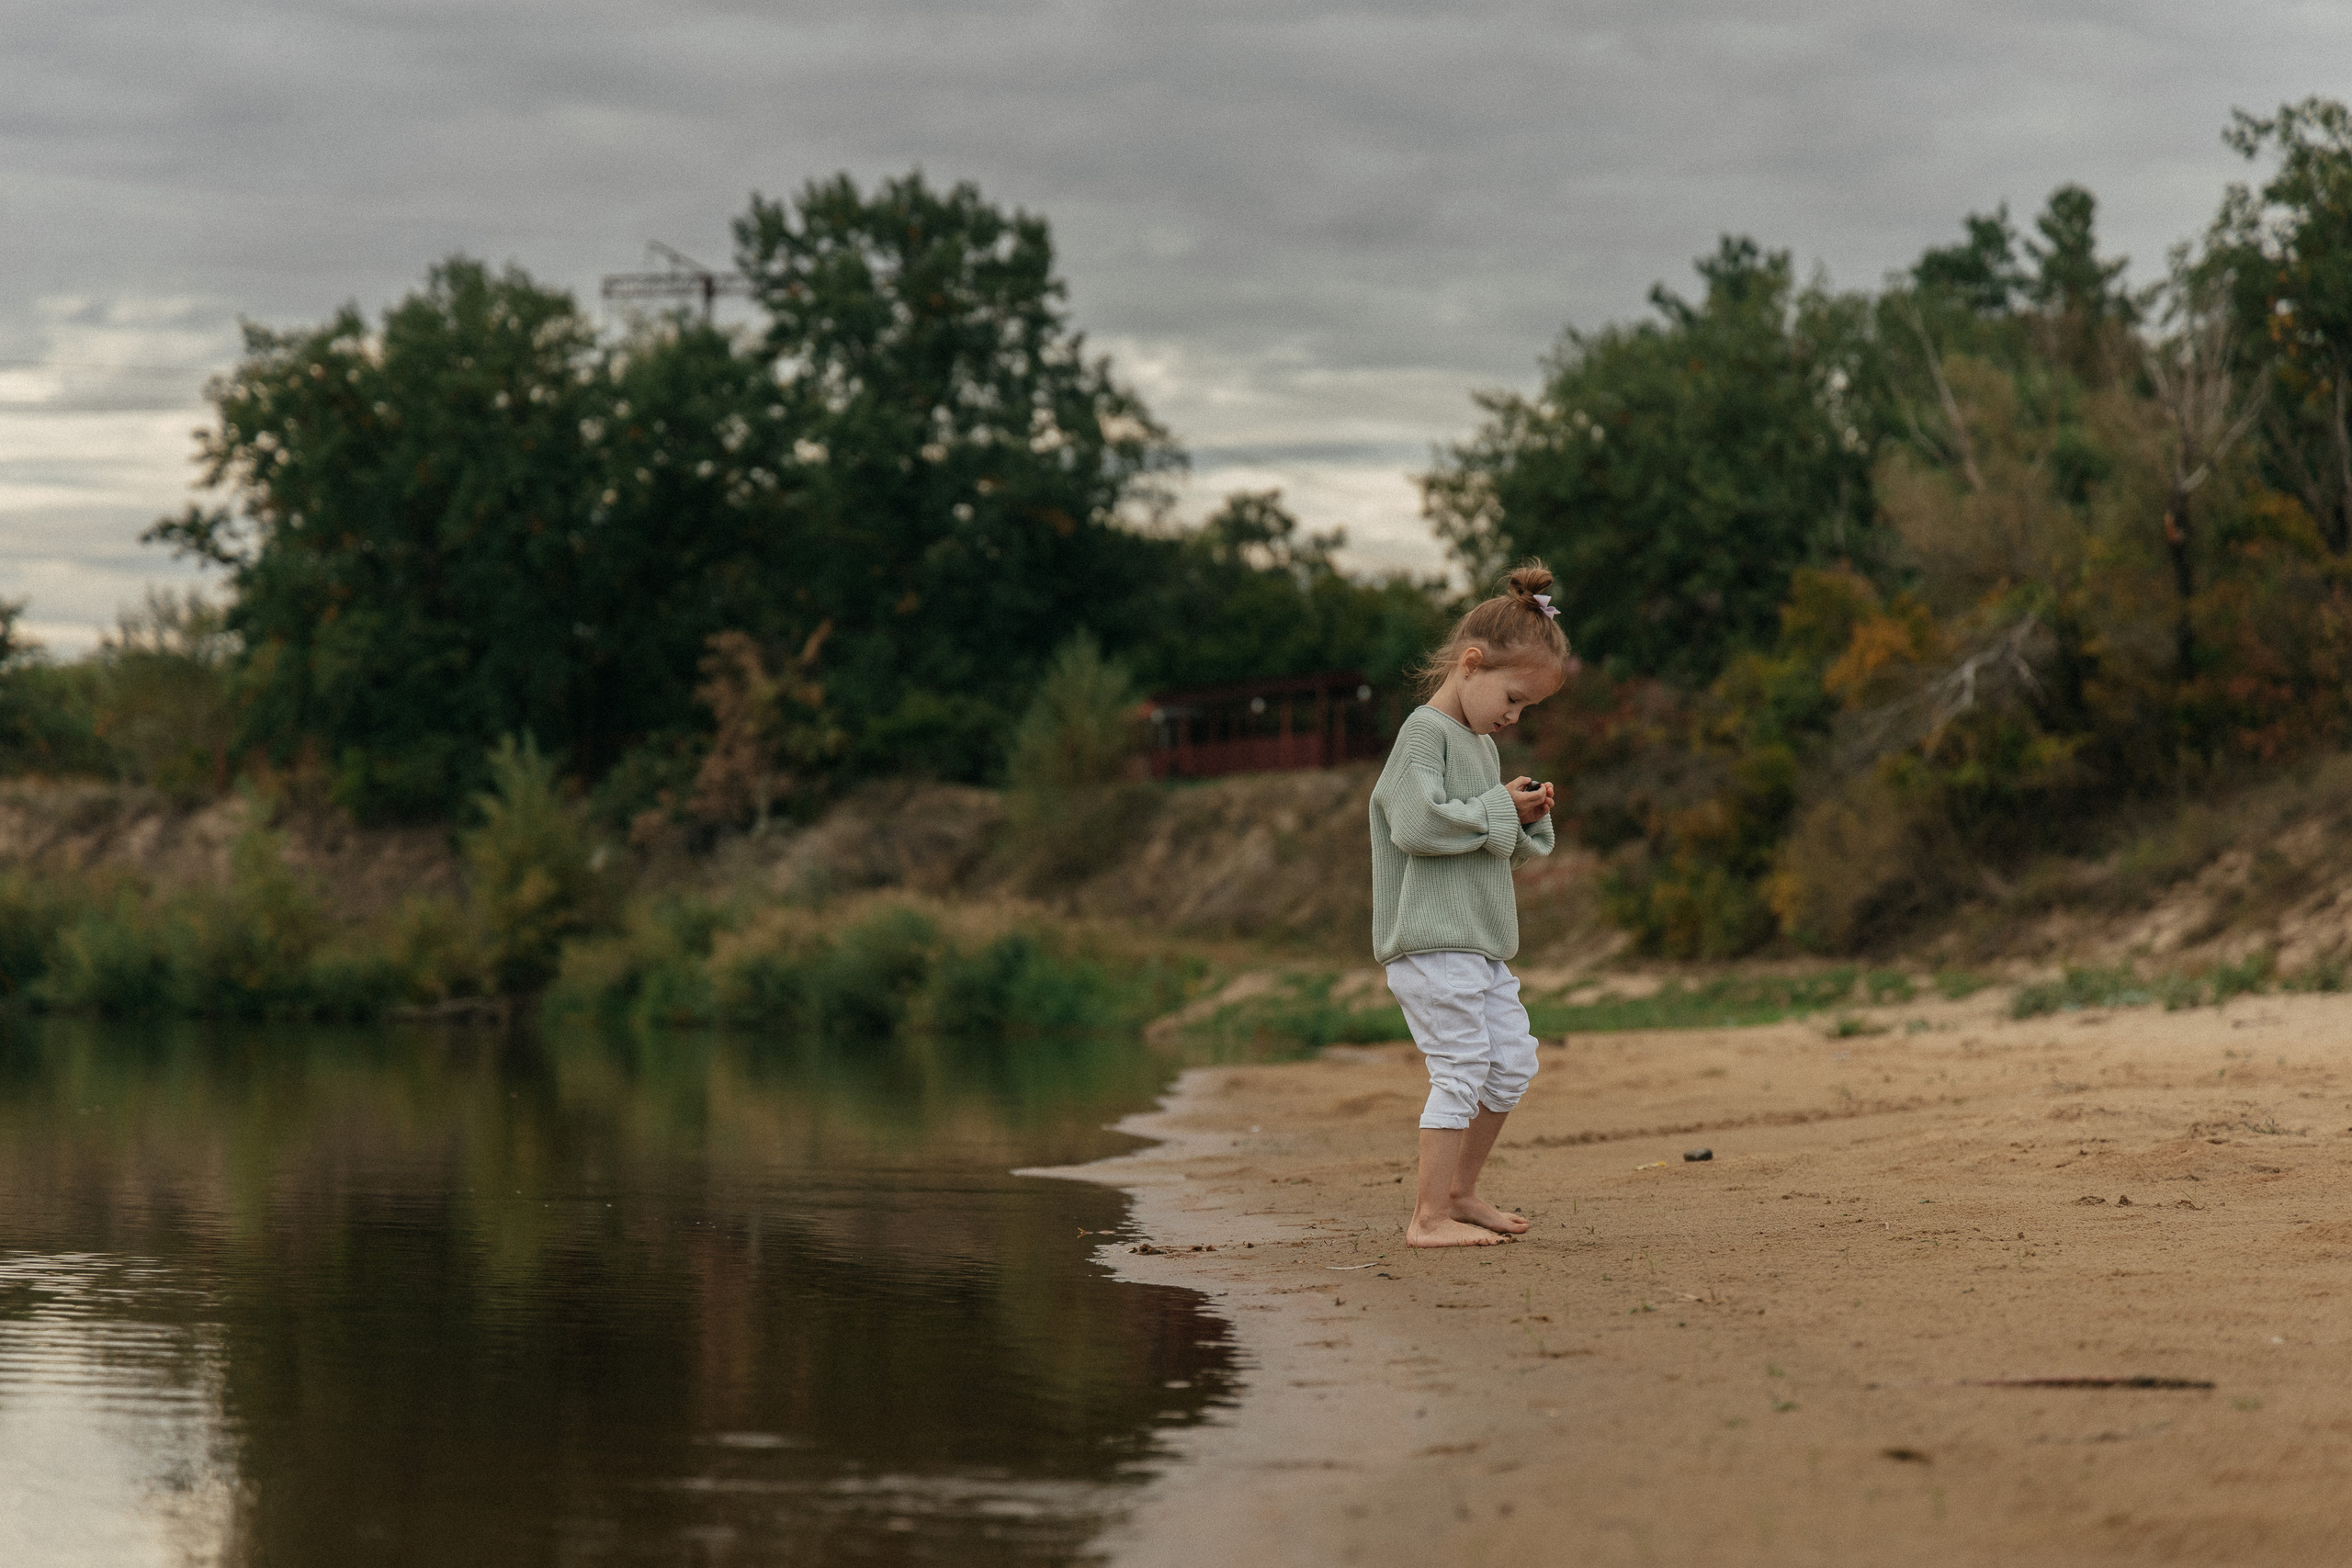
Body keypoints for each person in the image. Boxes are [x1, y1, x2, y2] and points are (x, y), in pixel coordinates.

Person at [1369, 561, 1572, 1247]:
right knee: (1460, 1067)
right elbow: (1417, 825)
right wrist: (1495, 808)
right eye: (1512, 698)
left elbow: (1482, 840)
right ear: (1471, 664)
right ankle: (1426, 1218)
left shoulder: (1480, 746)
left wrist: (1523, 814)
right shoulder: (1424, 732)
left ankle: (1459, 1193)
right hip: (1431, 941)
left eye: (1527, 708)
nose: (1514, 716)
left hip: (1479, 942)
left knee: (1510, 1063)